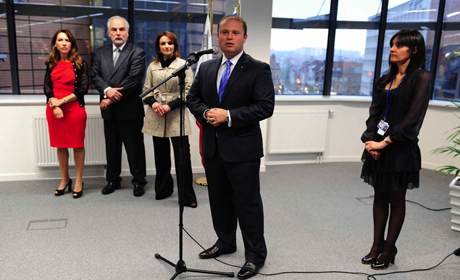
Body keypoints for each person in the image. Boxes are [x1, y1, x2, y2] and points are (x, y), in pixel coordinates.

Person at [186, 15, 274, 279]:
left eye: (235, 33)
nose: (229, 37)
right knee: (219, 201)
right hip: (212, 147)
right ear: (218, 36)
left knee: (247, 204)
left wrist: (229, 116)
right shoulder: (207, 68)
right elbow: (193, 98)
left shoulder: (259, 69)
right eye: (224, 32)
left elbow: (264, 107)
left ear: (244, 37)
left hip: (243, 150)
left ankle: (255, 256)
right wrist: (206, 113)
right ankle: (225, 242)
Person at [360, 29, 431, 270]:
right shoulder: (384, 78)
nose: (392, 48)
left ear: (413, 50)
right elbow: (375, 113)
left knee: (396, 199)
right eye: (392, 44)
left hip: (400, 148)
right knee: (379, 196)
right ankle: (377, 245)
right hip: (378, 147)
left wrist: (385, 142)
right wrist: (371, 140)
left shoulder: (421, 78)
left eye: (399, 45)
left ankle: (390, 248)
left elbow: (413, 119)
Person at [91, 16, 147, 197]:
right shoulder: (100, 52)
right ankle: (112, 180)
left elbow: (133, 80)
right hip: (109, 111)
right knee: (112, 149)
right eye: (114, 30)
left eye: (121, 29)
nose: (118, 33)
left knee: (135, 149)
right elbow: (95, 75)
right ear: (108, 33)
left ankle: (139, 181)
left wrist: (110, 96)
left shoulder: (137, 52)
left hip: (130, 110)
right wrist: (108, 91)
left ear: (127, 32)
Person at [141, 31, 197, 207]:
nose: (167, 46)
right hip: (156, 114)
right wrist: (154, 104)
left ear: (175, 46)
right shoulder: (152, 66)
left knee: (183, 157)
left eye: (170, 43)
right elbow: (146, 89)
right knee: (161, 156)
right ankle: (164, 189)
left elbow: (190, 91)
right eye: (163, 43)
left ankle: (187, 196)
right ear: (158, 46)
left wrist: (169, 105)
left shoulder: (184, 65)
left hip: (176, 114)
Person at [44, 29, 88, 199]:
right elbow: (47, 87)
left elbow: (83, 89)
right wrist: (55, 105)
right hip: (54, 108)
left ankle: (78, 180)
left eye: (67, 40)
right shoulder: (50, 63)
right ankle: (65, 179)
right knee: (60, 145)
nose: (64, 43)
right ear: (55, 43)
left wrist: (62, 102)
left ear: (72, 44)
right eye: (60, 40)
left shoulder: (81, 63)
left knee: (77, 144)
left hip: (74, 107)